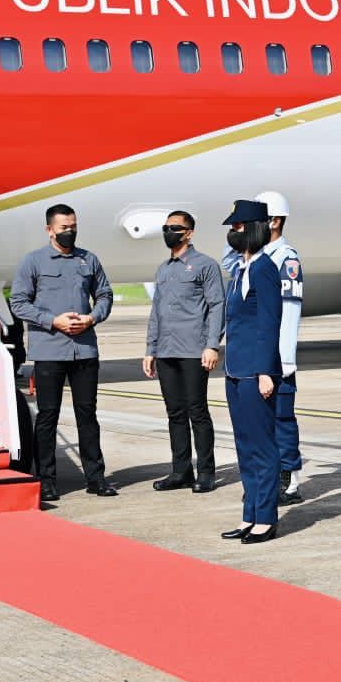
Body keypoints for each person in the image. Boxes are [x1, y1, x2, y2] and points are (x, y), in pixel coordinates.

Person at [9, 204, 118, 501]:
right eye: (64, 227)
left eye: (73, 226)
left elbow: (105, 294)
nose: (70, 231)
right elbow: (18, 303)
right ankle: (46, 480)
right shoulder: (33, 262)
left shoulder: (88, 260)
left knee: (87, 415)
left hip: (84, 351)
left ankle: (96, 478)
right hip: (50, 351)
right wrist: (51, 321)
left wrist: (93, 317)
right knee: (48, 416)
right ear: (49, 230)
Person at [223, 191, 305, 504]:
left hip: (276, 360)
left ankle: (289, 477)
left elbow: (286, 314)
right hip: (254, 359)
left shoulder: (286, 259)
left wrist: (280, 361)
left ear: (274, 220)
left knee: (282, 420)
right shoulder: (250, 259)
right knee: (257, 430)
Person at [142, 210, 225, 493]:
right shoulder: (163, 269)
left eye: (175, 228)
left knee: (197, 411)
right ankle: (180, 471)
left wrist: (212, 345)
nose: (169, 232)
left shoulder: (205, 265)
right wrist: (150, 349)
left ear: (189, 232)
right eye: (166, 227)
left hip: (193, 350)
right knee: (174, 412)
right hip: (166, 351)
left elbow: (217, 306)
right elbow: (157, 312)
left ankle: (206, 472)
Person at [218, 199, 283, 544]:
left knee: (262, 447)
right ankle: (250, 513)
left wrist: (265, 371)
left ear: (254, 228)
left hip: (255, 371)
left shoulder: (265, 270)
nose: (232, 232)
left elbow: (269, 324)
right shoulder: (241, 269)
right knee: (244, 446)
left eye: (237, 227)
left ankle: (266, 517)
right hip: (235, 370)